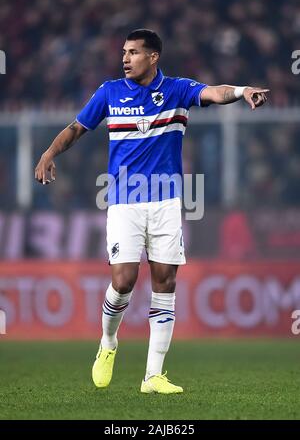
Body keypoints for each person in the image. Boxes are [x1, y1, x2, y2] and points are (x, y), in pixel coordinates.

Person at [35, 29, 269, 394]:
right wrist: (49, 153)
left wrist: (242, 92)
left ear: (153, 56)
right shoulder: (109, 92)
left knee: (165, 282)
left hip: (166, 203)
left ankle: (152, 376)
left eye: (133, 53)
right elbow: (76, 128)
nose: (125, 59)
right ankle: (108, 342)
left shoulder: (176, 90)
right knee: (124, 281)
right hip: (124, 202)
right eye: (124, 53)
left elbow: (214, 92)